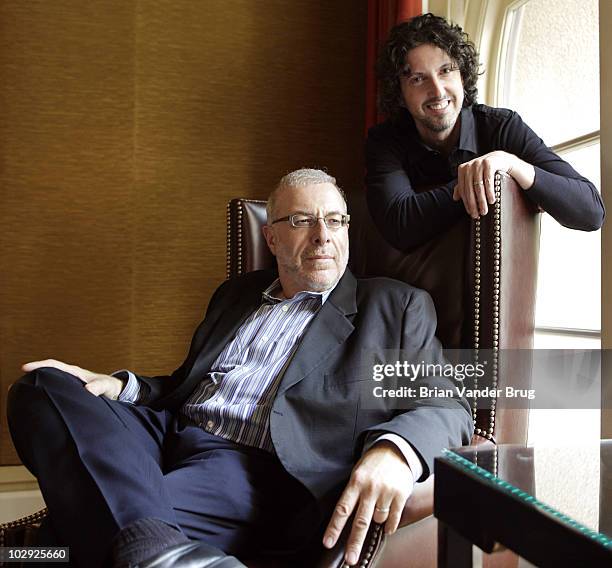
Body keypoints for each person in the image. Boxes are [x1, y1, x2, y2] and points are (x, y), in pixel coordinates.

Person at [8, 168, 473, 568]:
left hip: (250, 467)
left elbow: (449, 405)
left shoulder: (393, 306)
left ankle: (51, 552)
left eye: (335, 220)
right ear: (271, 236)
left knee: (70, 533)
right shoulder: (236, 294)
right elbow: (185, 384)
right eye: (302, 221)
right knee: (45, 386)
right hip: (166, 430)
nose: (323, 235)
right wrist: (121, 387)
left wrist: (396, 451)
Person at [366, 13, 605, 252]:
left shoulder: (501, 126)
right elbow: (400, 225)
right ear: (399, 93)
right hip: (410, 288)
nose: (437, 90)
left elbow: (591, 212)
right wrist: (480, 180)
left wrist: (510, 165)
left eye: (446, 71)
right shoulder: (385, 140)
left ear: (462, 76)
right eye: (418, 79)